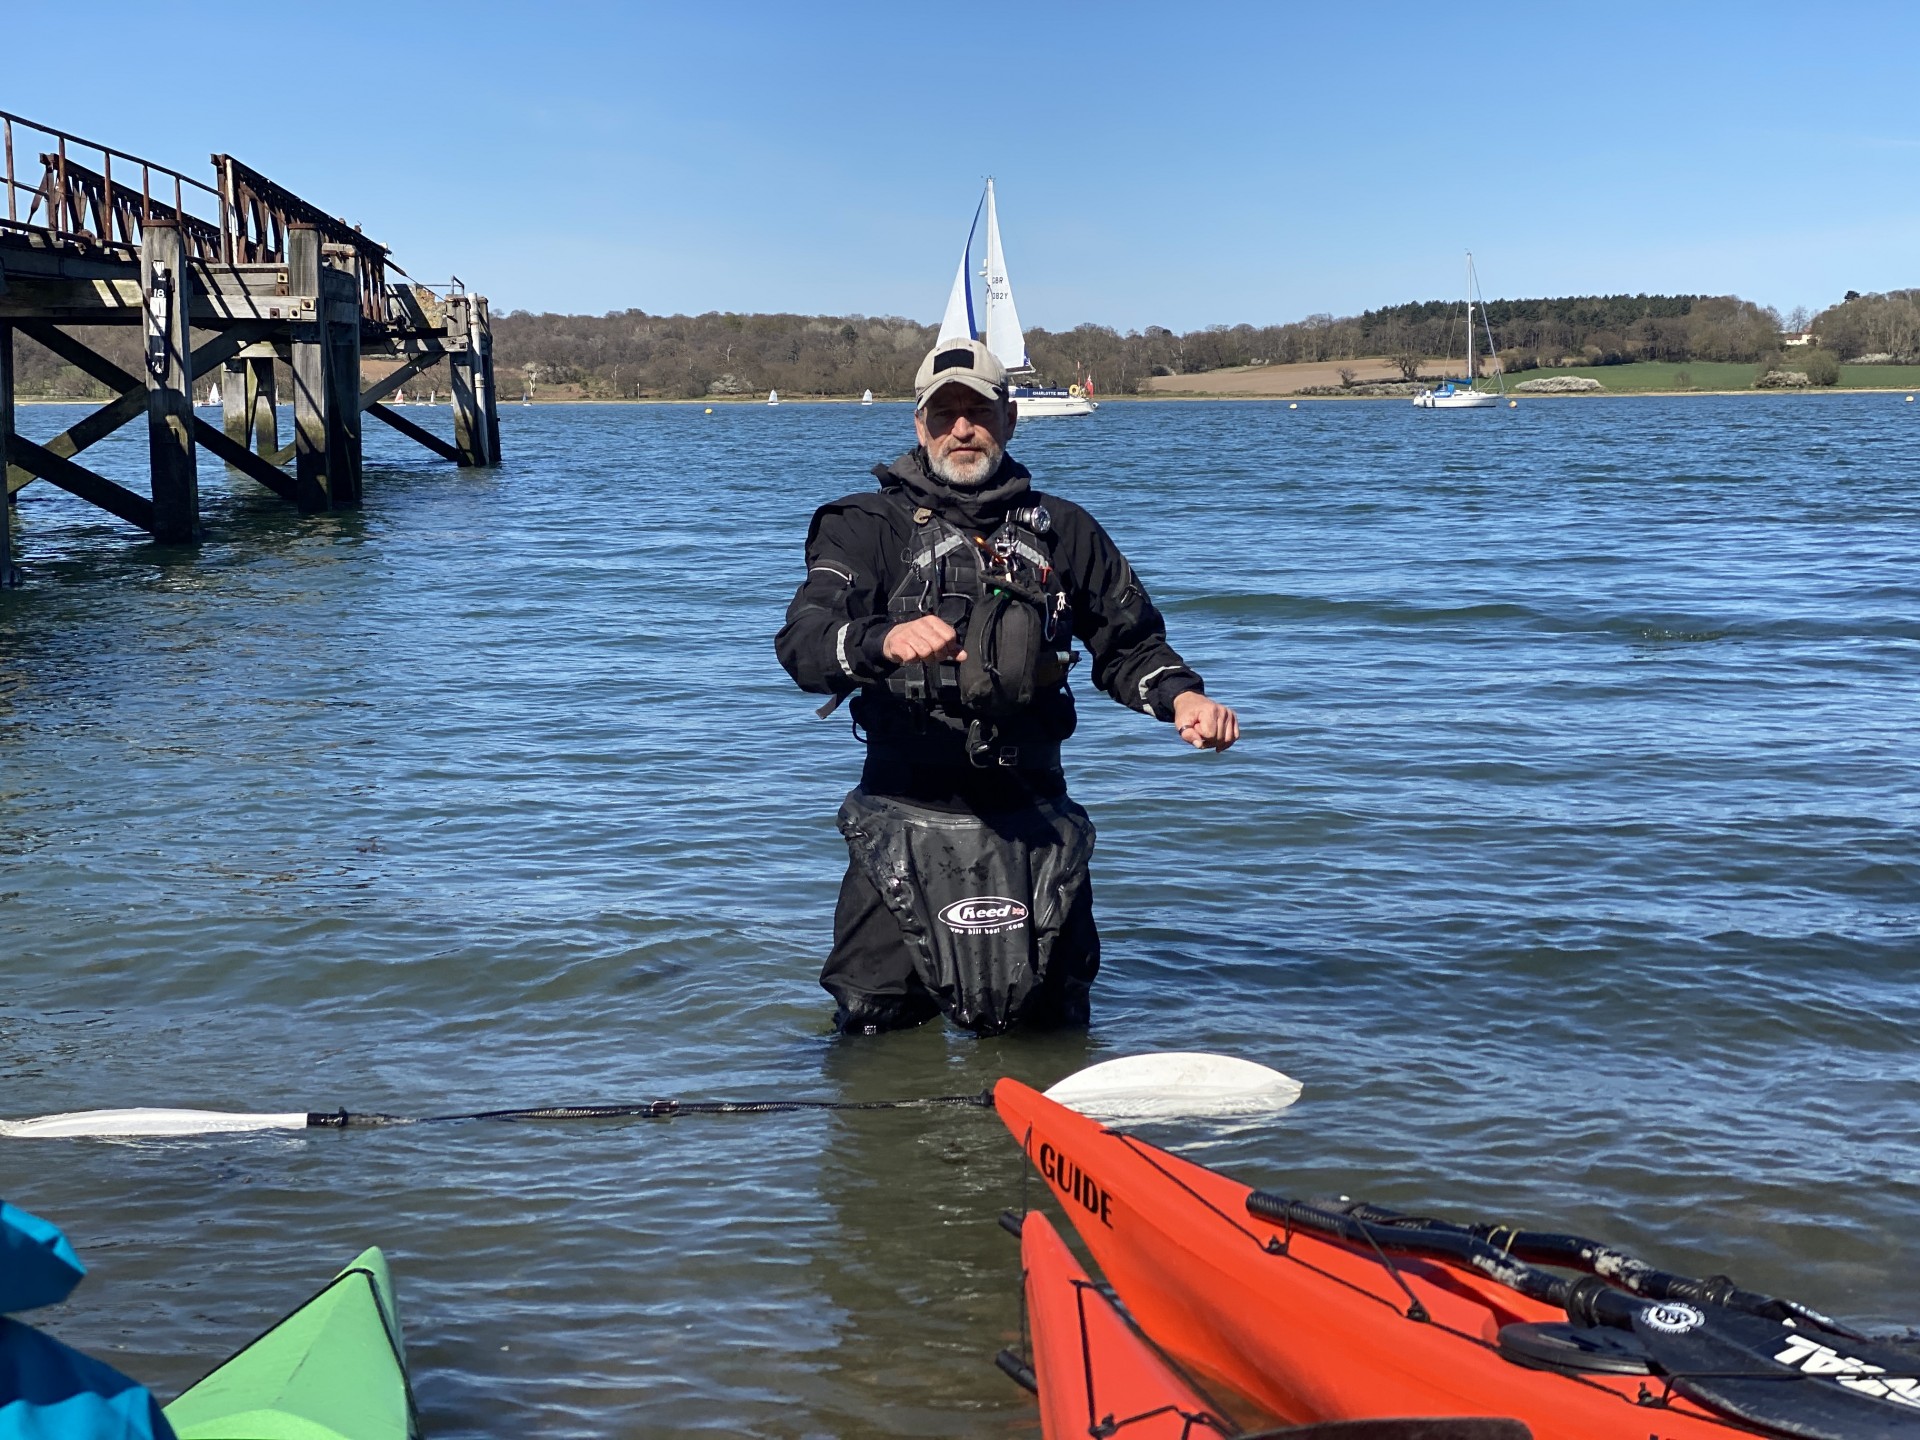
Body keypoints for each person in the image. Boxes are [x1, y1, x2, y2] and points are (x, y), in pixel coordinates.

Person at [776, 339, 1238, 1036]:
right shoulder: (861, 526)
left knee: (1052, 1025)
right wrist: (882, 640)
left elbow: (1129, 643)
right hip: (903, 811)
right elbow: (804, 645)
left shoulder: (1067, 529)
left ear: (1010, 419)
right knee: (874, 1022)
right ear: (920, 425)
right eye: (945, 414)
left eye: (979, 411)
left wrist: (1183, 698)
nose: (963, 429)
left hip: (1034, 815)